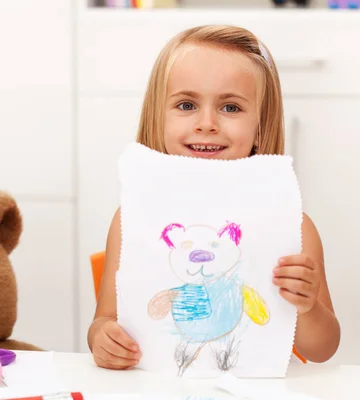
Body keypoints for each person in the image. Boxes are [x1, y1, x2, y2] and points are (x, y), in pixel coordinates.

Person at [87, 24, 341, 370]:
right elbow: (104, 321)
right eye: (187, 104)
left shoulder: (293, 227)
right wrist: (102, 338)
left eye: (231, 108)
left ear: (260, 128)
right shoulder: (133, 218)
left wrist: (307, 306)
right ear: (158, 118)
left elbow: (321, 349)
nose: (206, 123)